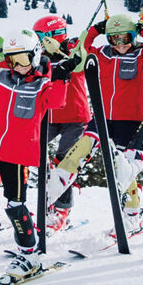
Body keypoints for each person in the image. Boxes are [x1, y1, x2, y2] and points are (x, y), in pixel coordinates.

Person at [0, 30, 76, 285]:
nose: (16, 66)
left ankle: (29, 255)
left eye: (21, 59)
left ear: (34, 56)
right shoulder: (0, 76)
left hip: (17, 153)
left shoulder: (42, 84)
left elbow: (57, 101)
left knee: (14, 204)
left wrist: (63, 77)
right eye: (11, 60)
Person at [84, 11, 143, 234]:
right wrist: (96, 31)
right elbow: (83, 49)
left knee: (124, 169)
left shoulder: (140, 57)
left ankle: (132, 215)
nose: (119, 44)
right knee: (81, 149)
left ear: (133, 37)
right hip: (102, 118)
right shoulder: (102, 55)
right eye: (113, 39)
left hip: (129, 121)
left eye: (125, 39)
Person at [37, 16, 94, 232]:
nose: (41, 42)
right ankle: (46, 202)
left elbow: (80, 64)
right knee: (34, 154)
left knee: (64, 163)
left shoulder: (72, 47)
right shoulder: (40, 56)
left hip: (75, 116)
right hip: (49, 116)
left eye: (43, 37)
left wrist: (64, 56)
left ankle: (61, 210)